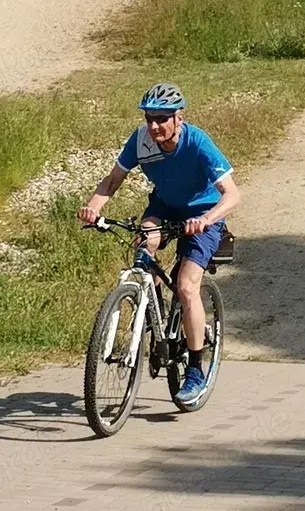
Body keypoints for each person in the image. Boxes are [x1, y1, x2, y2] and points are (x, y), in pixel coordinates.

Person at [78, 82, 240, 406]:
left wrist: (207, 219)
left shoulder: (198, 142)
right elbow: (113, 180)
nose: (154, 126)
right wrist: (94, 207)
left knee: (186, 286)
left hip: (201, 214)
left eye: (162, 119)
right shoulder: (141, 142)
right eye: (149, 118)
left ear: (179, 118)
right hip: (164, 208)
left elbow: (233, 194)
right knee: (144, 247)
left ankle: (195, 368)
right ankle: (150, 314)